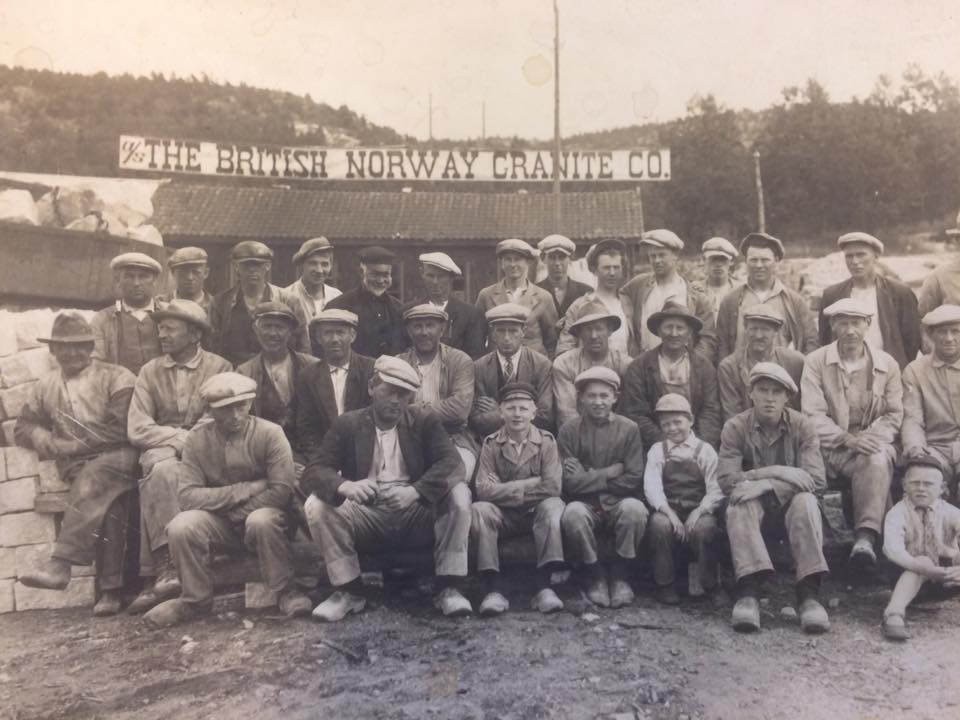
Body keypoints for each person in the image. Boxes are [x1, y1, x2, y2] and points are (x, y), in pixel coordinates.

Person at [303, 356, 473, 621]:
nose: (396, 400)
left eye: (404, 394)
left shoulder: (424, 421)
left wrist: (416, 491)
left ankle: (449, 588)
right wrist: (344, 485)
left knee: (460, 494)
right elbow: (314, 471)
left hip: (415, 512)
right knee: (316, 505)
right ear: (372, 387)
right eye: (389, 390)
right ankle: (348, 591)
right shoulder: (348, 423)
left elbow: (453, 464)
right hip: (366, 514)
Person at [144, 373, 313, 627]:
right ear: (211, 410)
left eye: (240, 407)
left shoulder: (270, 433)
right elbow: (188, 496)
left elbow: (281, 490)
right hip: (222, 525)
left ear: (250, 404)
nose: (234, 416)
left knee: (261, 519)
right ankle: (195, 601)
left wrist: (235, 512)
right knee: (182, 525)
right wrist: (247, 488)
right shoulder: (197, 440)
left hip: (267, 522)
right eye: (225, 409)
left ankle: (286, 591)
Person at [14, 313, 139, 616]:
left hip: (121, 456)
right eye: (64, 347)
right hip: (79, 467)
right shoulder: (46, 385)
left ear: (91, 346)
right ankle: (111, 592)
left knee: (96, 477)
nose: (72, 353)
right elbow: (22, 427)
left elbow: (121, 428)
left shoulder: (117, 376)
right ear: (53, 351)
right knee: (107, 500)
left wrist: (73, 445)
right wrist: (42, 436)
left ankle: (62, 564)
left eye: (80, 346)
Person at [126, 299, 232, 614]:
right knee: (161, 469)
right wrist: (176, 439)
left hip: (209, 448)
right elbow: (138, 426)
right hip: (163, 449)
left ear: (195, 334)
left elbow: (220, 415)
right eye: (160, 328)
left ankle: (183, 567)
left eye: (169, 328)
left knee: (172, 467)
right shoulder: (149, 371)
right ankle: (167, 566)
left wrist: (189, 441)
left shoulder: (220, 367)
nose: (162, 334)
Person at [718, 362, 830, 634]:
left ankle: (808, 595)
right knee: (739, 502)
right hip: (755, 513)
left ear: (787, 398)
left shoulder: (803, 426)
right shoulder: (735, 427)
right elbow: (727, 480)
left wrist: (766, 484)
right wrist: (775, 472)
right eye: (763, 390)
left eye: (777, 392)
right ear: (751, 394)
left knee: (806, 501)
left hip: (791, 511)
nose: (769, 398)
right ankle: (748, 593)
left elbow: (814, 481)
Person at [801, 298, 903, 566]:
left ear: (867, 325)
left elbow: (894, 413)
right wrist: (847, 439)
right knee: (877, 470)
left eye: (856, 323)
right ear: (833, 325)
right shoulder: (815, 362)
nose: (849, 331)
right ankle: (891, 551)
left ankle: (865, 540)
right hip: (831, 447)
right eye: (843, 323)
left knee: (877, 459)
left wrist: (869, 439)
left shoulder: (886, 364)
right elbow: (812, 415)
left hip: (873, 444)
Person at [471, 382, 566, 616]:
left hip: (535, 512)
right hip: (504, 515)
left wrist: (503, 489)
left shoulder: (546, 442)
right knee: (481, 510)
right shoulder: (491, 443)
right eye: (511, 408)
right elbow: (483, 489)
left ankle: (544, 587)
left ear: (533, 413)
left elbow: (553, 487)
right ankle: (492, 588)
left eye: (523, 409)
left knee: (553, 507)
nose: (517, 414)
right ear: (501, 411)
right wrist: (530, 484)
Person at [558, 367, 647, 609]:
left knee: (635, 510)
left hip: (618, 501)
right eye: (592, 396)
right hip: (585, 503)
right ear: (581, 398)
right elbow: (568, 483)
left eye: (604, 396)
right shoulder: (569, 430)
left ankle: (620, 576)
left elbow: (634, 478)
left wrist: (587, 477)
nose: (598, 402)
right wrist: (608, 472)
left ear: (615, 397)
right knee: (573, 513)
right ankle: (594, 575)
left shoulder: (629, 429)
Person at [643, 394, 724, 605]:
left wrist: (699, 511)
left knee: (705, 529)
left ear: (691, 420)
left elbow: (715, 488)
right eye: (666, 424)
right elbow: (652, 487)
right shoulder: (657, 451)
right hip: (670, 509)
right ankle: (665, 584)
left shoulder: (704, 450)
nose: (672, 428)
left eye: (678, 422)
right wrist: (670, 514)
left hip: (699, 508)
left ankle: (711, 584)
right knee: (659, 525)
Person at [619, 301, 722, 450]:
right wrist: (664, 445)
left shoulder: (704, 367)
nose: (674, 333)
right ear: (659, 331)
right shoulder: (639, 366)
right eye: (668, 327)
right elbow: (636, 413)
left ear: (689, 332)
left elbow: (711, 412)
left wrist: (698, 446)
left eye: (680, 328)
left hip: (696, 442)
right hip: (653, 445)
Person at [880, 455, 960, 641]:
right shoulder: (897, 513)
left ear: (941, 489)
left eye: (928, 484)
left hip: (946, 578)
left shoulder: (952, 513)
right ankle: (894, 613)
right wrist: (926, 569)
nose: (921, 489)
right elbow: (892, 550)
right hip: (906, 578)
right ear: (904, 485)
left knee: (954, 554)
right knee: (922, 560)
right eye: (915, 483)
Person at [396, 304, 478, 480]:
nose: (424, 332)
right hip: (408, 439)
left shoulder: (460, 360)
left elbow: (459, 410)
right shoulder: (399, 363)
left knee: (459, 477)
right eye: (417, 326)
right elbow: (392, 408)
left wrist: (416, 409)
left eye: (430, 325)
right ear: (409, 331)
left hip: (453, 438)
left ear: (442, 329)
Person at [818, 232, 920, 369]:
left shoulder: (900, 293)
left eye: (861, 254)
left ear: (876, 256)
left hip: (888, 371)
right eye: (849, 256)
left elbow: (912, 340)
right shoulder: (832, 295)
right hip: (845, 372)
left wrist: (897, 369)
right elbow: (825, 339)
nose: (854, 261)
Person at [236, 301, 318, 470]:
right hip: (264, 454)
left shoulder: (313, 366)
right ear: (256, 330)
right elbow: (243, 426)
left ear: (291, 333)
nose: (273, 333)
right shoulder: (244, 372)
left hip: (309, 453)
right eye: (267, 326)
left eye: (280, 327)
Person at [618, 229, 717, 362]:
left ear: (675, 256)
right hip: (645, 366)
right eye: (653, 256)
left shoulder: (695, 296)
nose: (657, 260)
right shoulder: (639, 285)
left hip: (682, 368)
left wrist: (693, 365)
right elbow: (619, 296)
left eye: (662, 255)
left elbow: (707, 339)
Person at [716, 232, 818, 361]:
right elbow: (722, 344)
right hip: (742, 376)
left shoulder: (794, 301)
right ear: (746, 261)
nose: (759, 265)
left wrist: (800, 371)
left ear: (776, 261)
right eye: (753, 260)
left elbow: (811, 341)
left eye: (765, 260)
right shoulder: (731, 301)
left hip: (782, 376)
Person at [209, 240, 308, 366]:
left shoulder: (288, 300)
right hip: (233, 372)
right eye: (246, 265)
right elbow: (212, 347)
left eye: (258, 265)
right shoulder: (221, 302)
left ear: (268, 266)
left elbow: (303, 345)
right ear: (236, 266)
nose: (252, 270)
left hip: (277, 370)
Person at [296, 309, 375, 460]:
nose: (334, 339)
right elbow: (306, 430)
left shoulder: (370, 369)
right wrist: (323, 463)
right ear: (318, 338)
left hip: (366, 455)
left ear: (352, 336)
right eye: (328, 333)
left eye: (340, 332)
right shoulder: (308, 376)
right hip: (324, 456)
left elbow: (375, 420)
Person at [902, 304, 960, 499]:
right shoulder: (915, 370)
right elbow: (912, 417)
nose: (949, 338)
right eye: (942, 332)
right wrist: (916, 447)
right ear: (931, 335)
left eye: (955, 331)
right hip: (935, 447)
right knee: (923, 479)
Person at [470, 304, 553, 439]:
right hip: (490, 440)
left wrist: (500, 412)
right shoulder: (479, 367)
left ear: (523, 332)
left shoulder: (541, 365)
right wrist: (522, 414)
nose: (507, 338)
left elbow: (545, 416)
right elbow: (476, 418)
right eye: (501, 331)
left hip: (532, 440)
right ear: (493, 334)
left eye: (513, 331)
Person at [718, 307, 805, 421]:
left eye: (765, 329)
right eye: (753, 329)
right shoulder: (729, 366)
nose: (758, 335)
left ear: (776, 332)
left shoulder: (795, 362)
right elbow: (732, 414)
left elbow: (804, 408)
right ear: (746, 329)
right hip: (746, 432)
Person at [476, 239, 558, 358]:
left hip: (534, 366)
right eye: (508, 259)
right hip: (497, 366)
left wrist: (545, 368)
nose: (513, 264)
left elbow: (552, 341)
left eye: (518, 259)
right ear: (501, 263)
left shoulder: (543, 297)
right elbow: (478, 338)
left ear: (528, 262)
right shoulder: (486, 295)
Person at [553, 306, 631, 428]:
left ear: (609, 330)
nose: (594, 335)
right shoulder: (564, 364)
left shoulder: (625, 364)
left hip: (616, 433)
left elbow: (628, 409)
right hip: (578, 433)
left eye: (599, 329)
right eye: (588, 330)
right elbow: (567, 412)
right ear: (580, 334)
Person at [325, 245, 409, 358]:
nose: (380, 280)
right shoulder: (338, 306)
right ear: (361, 272)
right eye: (375, 274)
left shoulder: (399, 308)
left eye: (385, 275)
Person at [90, 252, 163, 375]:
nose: (136, 283)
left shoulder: (169, 315)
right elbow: (95, 363)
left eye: (143, 276)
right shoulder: (102, 320)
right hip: (120, 390)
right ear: (118, 280)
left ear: (154, 280)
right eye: (129, 276)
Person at [557, 239, 632, 356]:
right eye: (606, 268)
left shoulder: (628, 302)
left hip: (624, 369)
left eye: (616, 267)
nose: (612, 273)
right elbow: (564, 348)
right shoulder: (579, 305)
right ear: (595, 270)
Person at [412, 252, 487, 359]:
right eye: (430, 275)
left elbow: (475, 357)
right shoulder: (409, 312)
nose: (435, 282)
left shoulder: (470, 315)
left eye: (441, 276)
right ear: (422, 274)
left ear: (451, 278)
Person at [285, 236, 342, 322]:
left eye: (324, 264)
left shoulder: (337, 296)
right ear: (302, 265)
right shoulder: (286, 296)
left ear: (331, 266)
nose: (319, 270)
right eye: (313, 263)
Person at [536, 234, 593, 318]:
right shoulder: (534, 292)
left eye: (562, 257)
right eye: (552, 258)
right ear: (543, 258)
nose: (557, 263)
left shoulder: (585, 292)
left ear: (570, 258)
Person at [697, 236, 739, 325]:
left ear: (731, 262)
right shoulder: (695, 290)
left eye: (723, 259)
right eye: (714, 259)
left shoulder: (740, 290)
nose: (718, 264)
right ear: (704, 260)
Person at [157, 247, 212, 312]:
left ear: (206, 273)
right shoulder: (159, 304)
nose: (190, 277)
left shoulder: (217, 307)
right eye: (183, 272)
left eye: (196, 272)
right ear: (173, 273)